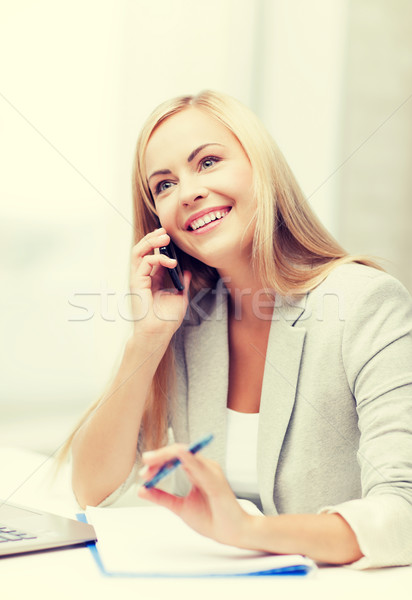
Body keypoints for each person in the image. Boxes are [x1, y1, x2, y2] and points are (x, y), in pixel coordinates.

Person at [66, 90, 412, 569]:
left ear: (260, 168)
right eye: (163, 185)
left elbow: (404, 514)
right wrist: (146, 339)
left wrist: (251, 532)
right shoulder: (187, 320)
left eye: (207, 162)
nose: (187, 192)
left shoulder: (365, 303)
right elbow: (92, 488)